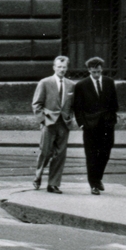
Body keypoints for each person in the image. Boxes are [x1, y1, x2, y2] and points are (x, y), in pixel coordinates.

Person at [73, 56, 119, 195]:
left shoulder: (109, 82)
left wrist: (111, 119)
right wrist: (82, 124)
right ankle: (93, 184)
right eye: (94, 72)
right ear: (89, 71)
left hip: (107, 125)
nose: (97, 74)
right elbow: (77, 108)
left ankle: (98, 178)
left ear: (101, 69)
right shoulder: (81, 85)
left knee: (105, 152)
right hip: (90, 126)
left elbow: (114, 104)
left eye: (99, 71)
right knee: (91, 155)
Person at [31, 55, 74, 193]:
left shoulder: (71, 85)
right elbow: (36, 104)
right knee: (45, 152)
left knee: (60, 154)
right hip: (49, 123)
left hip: (64, 124)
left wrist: (70, 118)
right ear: (54, 67)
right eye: (59, 67)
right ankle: (38, 176)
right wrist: (43, 120)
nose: (61, 69)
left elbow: (73, 105)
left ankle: (53, 184)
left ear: (67, 68)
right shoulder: (45, 83)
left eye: (64, 67)